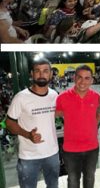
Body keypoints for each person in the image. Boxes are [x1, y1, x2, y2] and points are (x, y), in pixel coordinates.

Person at [6, 58, 59, 188]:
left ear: (51, 74)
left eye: (45, 71)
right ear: (32, 73)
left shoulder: (54, 95)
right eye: (37, 71)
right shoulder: (21, 97)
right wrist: (27, 134)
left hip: (52, 153)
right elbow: (9, 123)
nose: (41, 74)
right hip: (29, 156)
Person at [55, 65, 100, 188]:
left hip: (92, 148)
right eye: (79, 77)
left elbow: (99, 114)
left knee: (90, 178)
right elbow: (57, 114)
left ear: (92, 80)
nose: (83, 82)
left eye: (87, 78)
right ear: (74, 78)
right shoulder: (62, 98)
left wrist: (92, 126)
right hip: (70, 149)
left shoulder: (97, 97)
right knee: (73, 181)